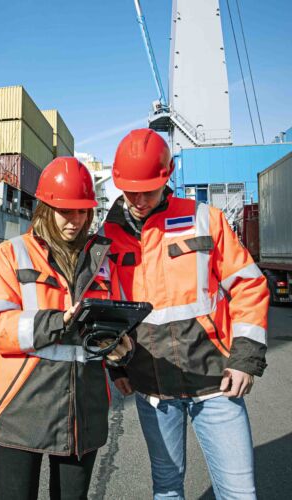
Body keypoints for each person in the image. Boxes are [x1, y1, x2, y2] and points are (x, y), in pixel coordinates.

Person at [102, 129, 269, 500]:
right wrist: (117, 366)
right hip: (152, 387)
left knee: (239, 493)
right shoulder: (108, 236)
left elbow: (249, 285)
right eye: (131, 191)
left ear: (168, 175)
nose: (140, 200)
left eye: (149, 189)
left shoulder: (204, 219)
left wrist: (245, 359)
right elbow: (107, 307)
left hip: (215, 383)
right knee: (166, 489)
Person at [0, 157, 132, 500]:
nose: (75, 222)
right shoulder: (11, 254)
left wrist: (120, 348)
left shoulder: (103, 262)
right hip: (20, 407)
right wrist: (54, 322)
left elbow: (114, 323)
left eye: (82, 212)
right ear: (46, 209)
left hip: (83, 412)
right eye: (65, 211)